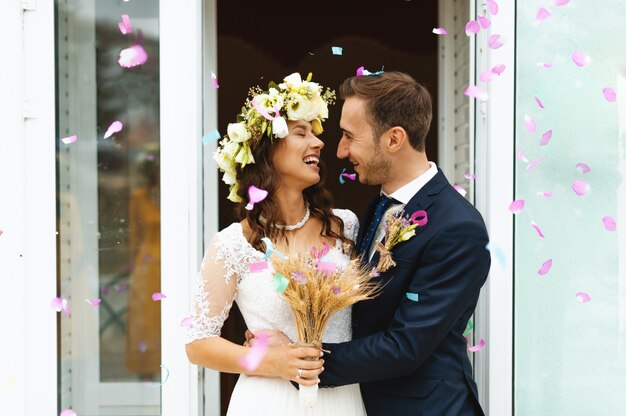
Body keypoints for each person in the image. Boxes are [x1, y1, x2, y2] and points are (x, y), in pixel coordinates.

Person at [248, 71, 491, 415]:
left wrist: (296, 360)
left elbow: (405, 347)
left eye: (349, 136)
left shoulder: (458, 228)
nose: (340, 150)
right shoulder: (378, 207)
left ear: (394, 139)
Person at [185, 72, 367, 415]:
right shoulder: (232, 244)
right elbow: (197, 344)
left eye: (315, 133)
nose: (319, 143)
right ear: (267, 151)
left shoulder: (347, 227)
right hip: (267, 401)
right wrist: (270, 361)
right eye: (301, 133)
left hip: (342, 400)